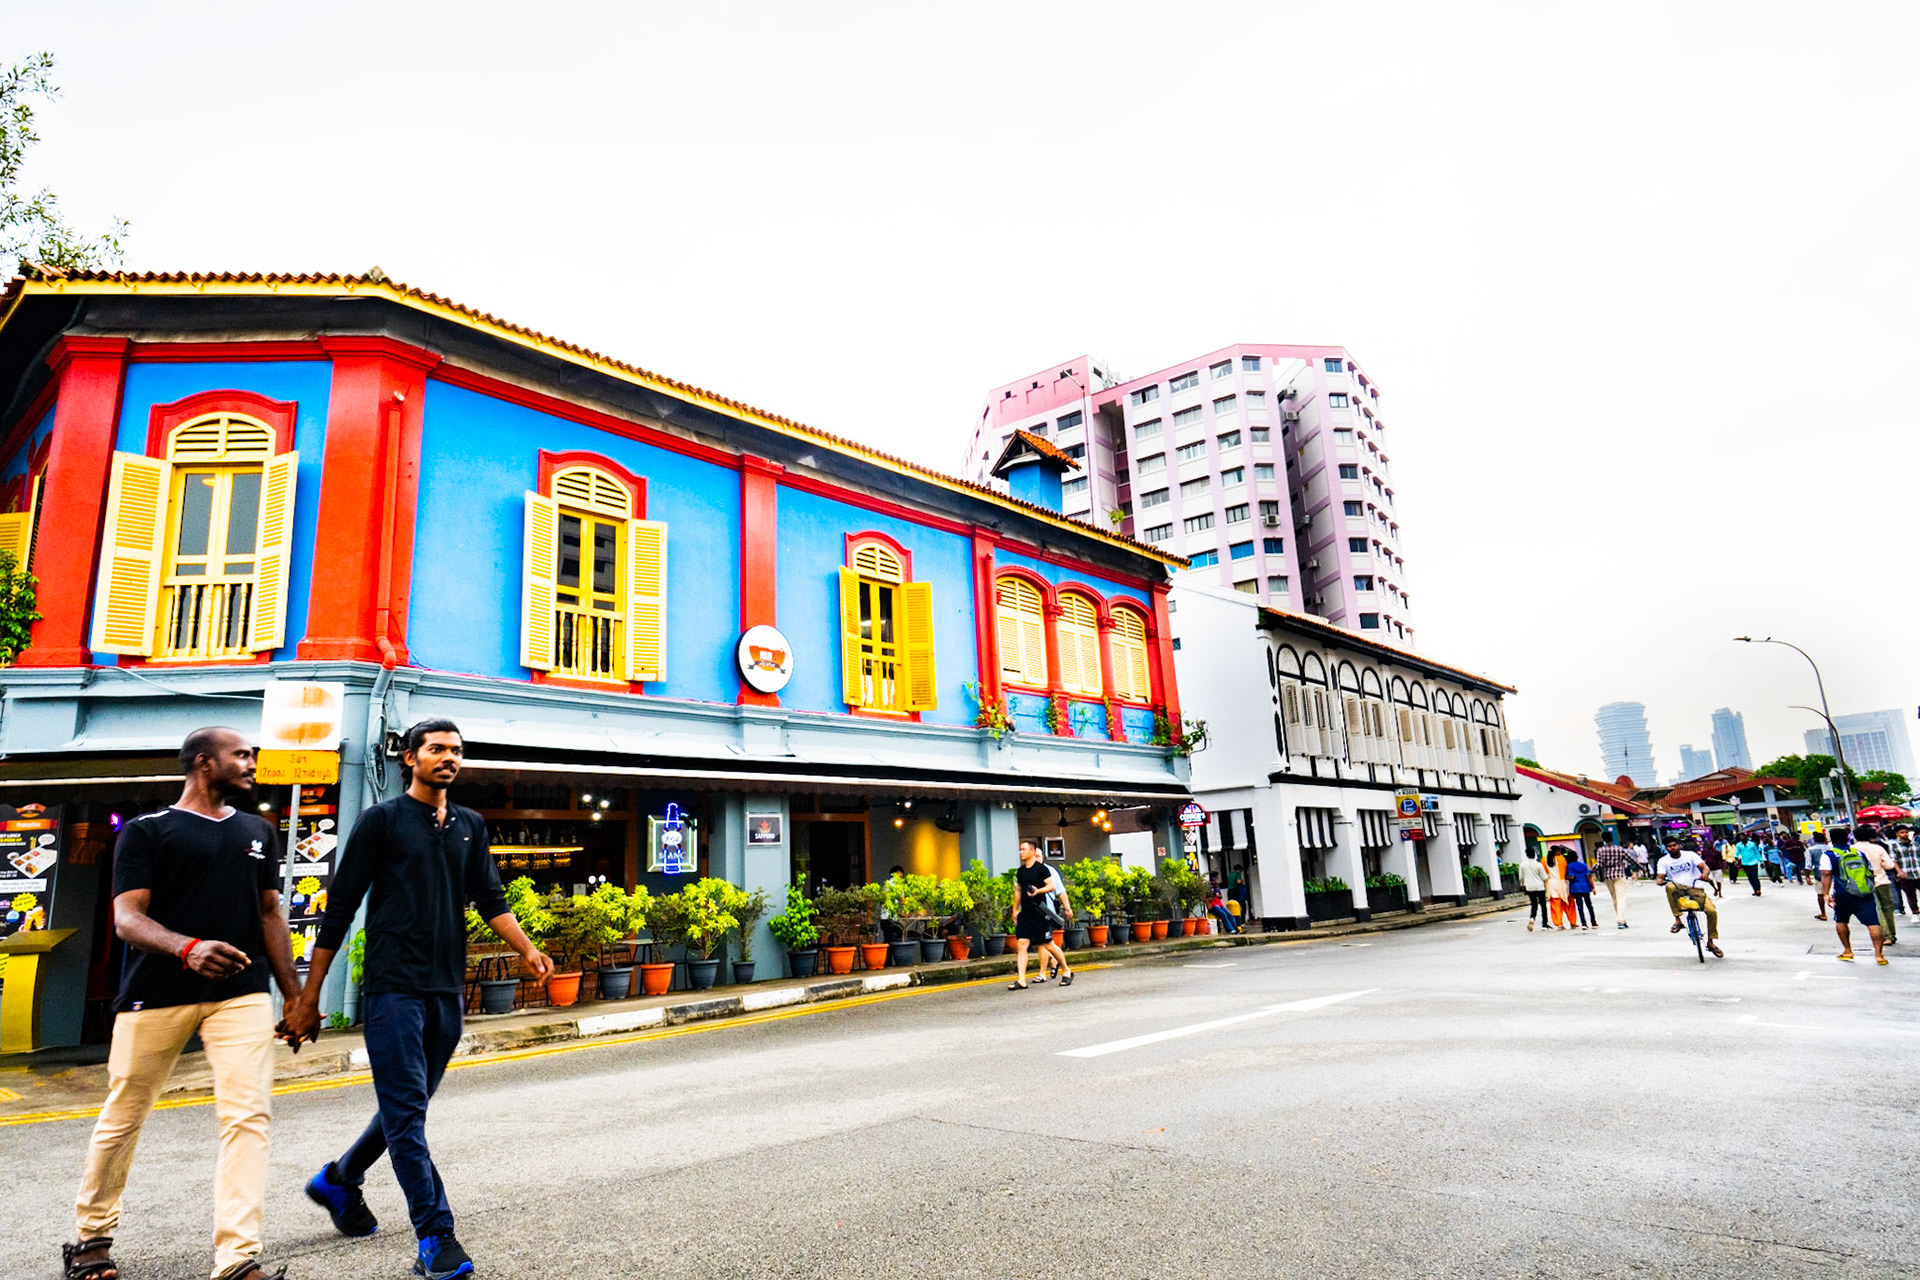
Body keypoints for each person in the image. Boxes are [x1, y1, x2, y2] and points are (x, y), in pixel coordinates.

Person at [281, 720, 553, 1280]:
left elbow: (490, 898)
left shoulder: (470, 826)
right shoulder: (380, 821)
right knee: (408, 1116)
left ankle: (339, 1179)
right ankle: (436, 1236)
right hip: (392, 990)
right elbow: (340, 908)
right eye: (437, 749)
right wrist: (308, 998)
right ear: (411, 758)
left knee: (409, 1108)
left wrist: (526, 948)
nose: (448, 758)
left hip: (445, 989)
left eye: (456, 751)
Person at [66, 727, 299, 1280]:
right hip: (157, 993)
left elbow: (270, 914)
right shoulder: (149, 832)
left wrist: (296, 996)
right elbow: (128, 919)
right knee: (125, 1113)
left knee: (248, 1116)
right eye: (241, 755)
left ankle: (237, 1259)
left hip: (240, 993)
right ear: (203, 762)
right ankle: (91, 1237)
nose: (251, 765)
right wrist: (186, 948)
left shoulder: (258, 830)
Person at [1008, 838, 1072, 989]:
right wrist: (1015, 910)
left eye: (1023, 849)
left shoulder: (1042, 869)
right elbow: (1018, 890)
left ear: (1032, 851)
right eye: (1020, 850)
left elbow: (1051, 886)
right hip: (1026, 914)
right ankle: (1021, 980)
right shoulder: (1021, 871)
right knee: (1022, 945)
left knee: (1048, 945)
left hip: (1039, 913)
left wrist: (1038, 891)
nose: (1021, 852)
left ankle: (1066, 969)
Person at [1819, 827, 1887, 965]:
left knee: (1841, 921)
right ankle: (1879, 955)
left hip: (1843, 893)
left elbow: (1826, 874)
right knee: (1873, 923)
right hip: (1864, 892)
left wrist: (1826, 894)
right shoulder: (1859, 853)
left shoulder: (1829, 855)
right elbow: (1869, 872)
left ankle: (1848, 951)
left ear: (1831, 840)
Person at [1655, 838, 1722, 958]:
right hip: (1678, 888)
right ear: (1666, 848)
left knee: (1711, 911)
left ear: (1679, 845)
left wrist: (1705, 874)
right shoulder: (1663, 861)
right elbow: (1660, 876)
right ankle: (1678, 920)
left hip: (1695, 887)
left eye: (1674, 845)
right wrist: (1659, 880)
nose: (1672, 848)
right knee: (1669, 886)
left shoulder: (1690, 855)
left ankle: (1711, 942)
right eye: (1669, 846)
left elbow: (1704, 867)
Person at [1853, 825, 1898, 946]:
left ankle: (1886, 936)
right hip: (1882, 880)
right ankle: (1892, 934)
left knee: (1877, 909)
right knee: (1888, 908)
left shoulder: (1852, 849)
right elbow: (1889, 865)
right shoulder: (1877, 848)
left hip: (1865, 883)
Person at [1590, 838, 1634, 929]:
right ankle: (1621, 921)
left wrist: (1590, 871)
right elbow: (1630, 859)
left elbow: (1599, 864)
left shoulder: (1600, 850)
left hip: (1608, 877)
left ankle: (1621, 919)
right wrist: (1641, 867)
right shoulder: (1619, 849)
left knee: (1614, 898)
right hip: (1619, 875)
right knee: (1621, 897)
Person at [1804, 830, 1834, 920]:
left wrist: (1807, 876)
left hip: (1819, 873)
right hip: (1833, 873)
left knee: (1820, 894)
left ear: (1814, 840)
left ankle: (1823, 914)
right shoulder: (1830, 848)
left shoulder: (1810, 850)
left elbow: (1808, 864)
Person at [1519, 849, 1549, 932]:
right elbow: (1544, 877)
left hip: (1529, 887)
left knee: (1534, 904)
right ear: (1534, 854)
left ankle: (1532, 917)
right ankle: (1544, 924)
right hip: (1539, 887)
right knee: (1543, 905)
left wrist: (1523, 884)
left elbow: (1521, 878)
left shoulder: (1523, 865)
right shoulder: (1538, 865)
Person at [1566, 849, 1597, 929]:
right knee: (1589, 905)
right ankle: (1593, 922)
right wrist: (1593, 887)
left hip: (1576, 888)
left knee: (1580, 906)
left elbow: (1572, 876)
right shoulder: (1584, 865)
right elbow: (1588, 876)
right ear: (1577, 857)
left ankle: (1584, 923)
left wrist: (1565, 877)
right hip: (1585, 887)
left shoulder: (1569, 866)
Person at [1893, 826, 1920, 916]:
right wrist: (1899, 872)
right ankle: (1915, 911)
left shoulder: (1915, 844)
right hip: (1905, 873)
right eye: (1902, 832)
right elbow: (1893, 860)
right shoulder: (1894, 846)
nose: (1904, 834)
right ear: (1897, 834)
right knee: (1910, 894)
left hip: (1917, 871)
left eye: (1906, 832)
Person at [1545, 847, 1573, 929]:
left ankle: (1559, 923)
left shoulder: (1544, 860)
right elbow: (1565, 870)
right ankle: (1572, 922)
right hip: (1561, 883)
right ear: (1557, 851)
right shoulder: (1562, 859)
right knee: (1568, 904)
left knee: (1555, 905)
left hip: (1551, 884)